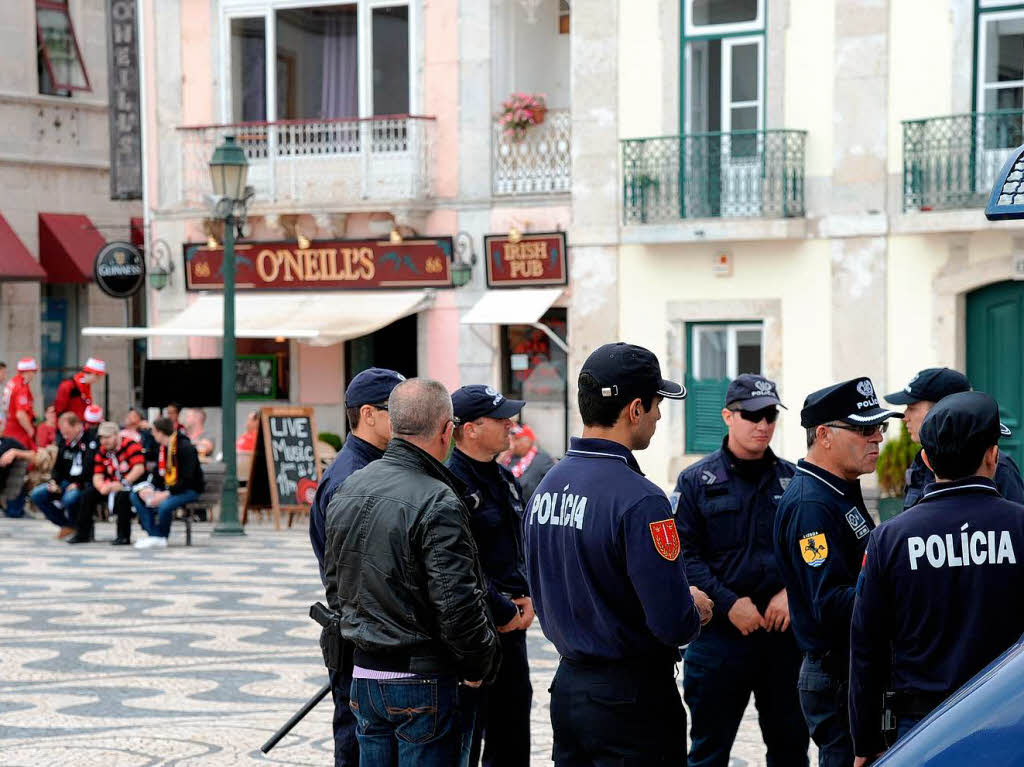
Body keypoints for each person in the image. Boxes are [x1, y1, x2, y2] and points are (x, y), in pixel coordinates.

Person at [525, 342, 713, 765]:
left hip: (569, 687)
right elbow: (672, 623)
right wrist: (695, 606)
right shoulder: (640, 499)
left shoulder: (547, 485)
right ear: (634, 410)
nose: (660, 416)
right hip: (631, 701)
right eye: (656, 404)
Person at [324, 378, 500, 767]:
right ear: (446, 430)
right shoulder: (438, 499)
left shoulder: (351, 486)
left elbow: (336, 585)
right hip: (421, 680)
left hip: (366, 674)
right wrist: (478, 666)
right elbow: (457, 605)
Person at [849, 391, 1024, 765]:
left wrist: (865, 742)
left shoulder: (890, 538)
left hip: (924, 728)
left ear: (926, 459)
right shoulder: (1020, 528)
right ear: (993, 455)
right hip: (1009, 721)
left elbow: (867, 649)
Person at [673, 374, 809, 767]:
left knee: (790, 751)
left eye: (769, 415)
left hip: (781, 639)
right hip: (719, 639)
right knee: (708, 753)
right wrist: (729, 603)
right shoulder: (697, 481)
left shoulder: (794, 480)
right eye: (752, 416)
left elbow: (812, 547)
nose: (762, 425)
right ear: (728, 417)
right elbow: (684, 557)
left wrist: (791, 592)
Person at [773, 377, 902, 767]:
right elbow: (829, 604)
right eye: (865, 429)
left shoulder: (839, 488)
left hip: (853, 668)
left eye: (881, 427)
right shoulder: (812, 503)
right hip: (837, 674)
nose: (877, 438)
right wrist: (902, 594)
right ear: (824, 435)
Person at [310, 366, 404, 767]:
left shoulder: (375, 467)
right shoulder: (352, 477)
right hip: (360, 634)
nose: (404, 419)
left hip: (369, 631)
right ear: (368, 414)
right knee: (357, 740)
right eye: (394, 410)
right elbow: (347, 570)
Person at [448, 385, 533, 767]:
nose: (511, 427)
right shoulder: (449, 483)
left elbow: (519, 547)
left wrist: (529, 597)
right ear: (470, 429)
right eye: (501, 420)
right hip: (473, 632)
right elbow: (458, 565)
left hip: (513, 630)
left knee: (512, 736)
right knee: (465, 741)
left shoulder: (504, 479)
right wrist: (500, 609)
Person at [884, 367, 1024, 508]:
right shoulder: (922, 461)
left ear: (942, 409)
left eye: (912, 408)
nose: (905, 417)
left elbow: (1014, 523)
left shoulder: (995, 464)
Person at [130, 417, 204, 549]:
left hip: (189, 490)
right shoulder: (163, 449)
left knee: (165, 505)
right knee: (136, 496)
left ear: (160, 432)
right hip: (170, 488)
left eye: (154, 431)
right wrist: (149, 489)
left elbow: (188, 480)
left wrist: (166, 494)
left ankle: (161, 536)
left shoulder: (184, 447)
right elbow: (159, 475)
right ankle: (154, 535)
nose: (152, 435)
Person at [30, 412, 92, 539]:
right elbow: (57, 467)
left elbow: (90, 467)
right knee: (37, 494)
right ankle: (67, 525)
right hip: (64, 481)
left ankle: (77, 527)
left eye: (67, 432)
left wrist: (77, 484)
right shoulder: (65, 442)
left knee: (70, 498)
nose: (65, 436)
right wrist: (54, 482)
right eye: (63, 433)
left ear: (77, 426)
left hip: (82, 483)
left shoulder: (90, 440)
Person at [92, 421, 146, 545]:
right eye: (102, 438)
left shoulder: (131, 445)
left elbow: (139, 469)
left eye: (107, 437)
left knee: (123, 496)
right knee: (88, 494)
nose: (104, 441)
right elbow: (97, 474)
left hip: (132, 484)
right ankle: (82, 533)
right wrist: (101, 487)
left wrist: (122, 483)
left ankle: (123, 536)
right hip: (111, 484)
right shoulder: (102, 451)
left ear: (117, 435)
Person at [500, 423, 556, 501]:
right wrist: (501, 458)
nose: (513, 444)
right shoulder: (508, 458)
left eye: (516, 439)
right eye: (511, 439)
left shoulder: (542, 459)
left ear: (528, 440)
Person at [3, 358, 38, 450]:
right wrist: (30, 430)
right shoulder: (21, 387)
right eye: (34, 372)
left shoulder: (13, 382)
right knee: (24, 461)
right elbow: (20, 414)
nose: (34, 375)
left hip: (10, 428)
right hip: (18, 431)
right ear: (28, 371)